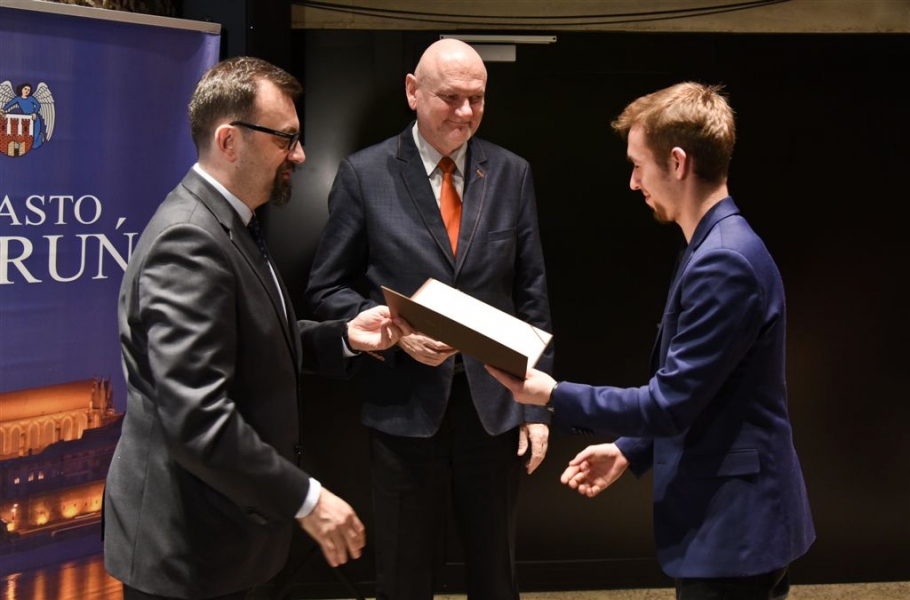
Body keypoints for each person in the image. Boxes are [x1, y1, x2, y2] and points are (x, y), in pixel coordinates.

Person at [486, 82, 815, 600]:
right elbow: (702, 394)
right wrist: (629, 450)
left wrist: (551, 394)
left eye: (638, 165)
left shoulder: (723, 260)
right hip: (739, 518)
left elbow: (669, 403)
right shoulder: (713, 246)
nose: (634, 181)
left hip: (736, 525)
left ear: (678, 162)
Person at [103, 56, 405, 600]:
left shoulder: (230, 222)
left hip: (223, 536)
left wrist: (342, 337)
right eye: (285, 138)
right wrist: (309, 499)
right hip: (187, 550)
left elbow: (253, 340)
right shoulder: (189, 241)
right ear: (229, 141)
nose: (300, 154)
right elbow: (196, 417)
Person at [305, 38, 553, 599]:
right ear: (413, 91)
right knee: (403, 577)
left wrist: (536, 406)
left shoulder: (511, 173)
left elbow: (532, 294)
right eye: (450, 97)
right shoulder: (364, 173)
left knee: (496, 577)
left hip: (494, 408)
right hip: (403, 408)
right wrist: (392, 334)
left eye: (477, 99)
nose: (465, 112)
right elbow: (325, 288)